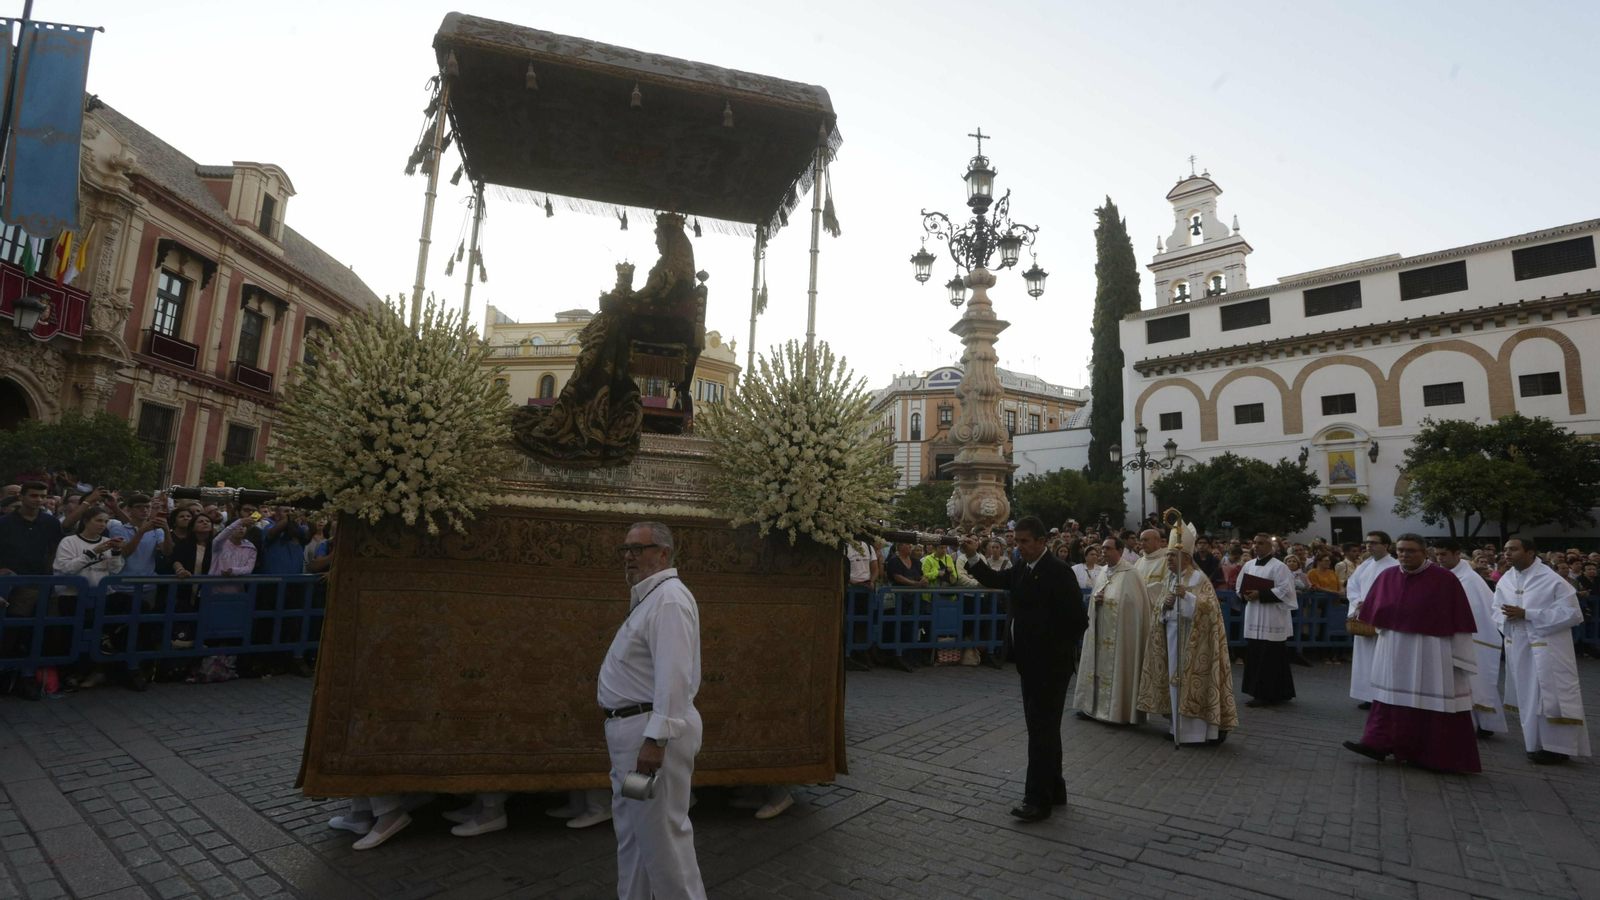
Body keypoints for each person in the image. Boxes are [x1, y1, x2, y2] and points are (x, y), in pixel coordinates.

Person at [599, 522, 707, 899]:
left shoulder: (670, 599)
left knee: (666, 845)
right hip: (633, 731)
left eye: (638, 549)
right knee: (635, 839)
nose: (628, 556)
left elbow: (673, 676)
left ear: (663, 554)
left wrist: (656, 738)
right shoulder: (653, 597)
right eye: (625, 549)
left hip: (649, 733)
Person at [961, 516, 1087, 822]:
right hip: (1028, 664)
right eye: (1016, 542)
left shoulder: (1059, 571)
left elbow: (1077, 621)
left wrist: (1052, 647)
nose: (1020, 548)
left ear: (1042, 542)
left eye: (1025, 542)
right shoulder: (1021, 567)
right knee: (1043, 729)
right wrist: (972, 555)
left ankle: (1037, 799)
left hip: (1050, 665)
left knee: (1041, 731)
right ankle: (1055, 788)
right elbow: (995, 580)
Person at [1342, 535, 1481, 773]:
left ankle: (1430, 754)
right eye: (1400, 551)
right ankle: (1378, 743)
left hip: (1430, 650)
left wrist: (1460, 655)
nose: (1404, 555)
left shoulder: (1444, 579)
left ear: (1424, 552)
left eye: (1410, 551)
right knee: (1388, 698)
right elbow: (1375, 610)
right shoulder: (1387, 576)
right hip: (1393, 647)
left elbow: (1459, 619)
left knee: (1430, 699)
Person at [1135, 522, 1237, 745]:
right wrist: (1166, 606)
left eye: (1172, 556)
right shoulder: (1171, 578)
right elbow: (1159, 609)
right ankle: (1176, 727)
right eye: (1168, 555)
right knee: (1174, 681)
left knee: (1192, 684)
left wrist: (1188, 598)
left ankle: (1198, 733)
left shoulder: (1199, 579)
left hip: (1194, 642)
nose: (1168, 560)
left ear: (1186, 559)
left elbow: (1211, 611)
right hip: (1172, 637)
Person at [1494, 537, 1590, 764]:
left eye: (1514, 549)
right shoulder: (1506, 579)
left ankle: (1559, 747)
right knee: (1530, 698)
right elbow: (1496, 610)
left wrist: (1529, 614)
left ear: (1530, 553)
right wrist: (1506, 619)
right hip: (1519, 646)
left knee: (1552, 697)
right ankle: (1535, 744)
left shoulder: (1552, 580)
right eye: (1506, 550)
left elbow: (1573, 614)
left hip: (1548, 649)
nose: (1507, 554)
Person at [1432, 538, 1507, 739]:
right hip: (1451, 635)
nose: (1440, 558)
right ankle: (1468, 722)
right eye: (1437, 554)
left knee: (1476, 682)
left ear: (1457, 554)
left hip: (1474, 639)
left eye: (1444, 554)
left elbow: (1475, 610)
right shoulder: (1444, 576)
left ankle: (1484, 723)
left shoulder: (1469, 579)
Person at [1071, 537, 1149, 726]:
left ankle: (1116, 712)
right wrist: (1096, 602)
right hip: (1100, 630)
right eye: (1102, 549)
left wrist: (1111, 603)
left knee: (1118, 668)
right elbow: (1097, 598)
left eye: (1108, 549)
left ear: (1120, 551)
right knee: (1096, 667)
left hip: (1120, 635)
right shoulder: (1104, 572)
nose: (1103, 552)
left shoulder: (1131, 574)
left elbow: (1135, 608)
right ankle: (1092, 708)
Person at [0, 481, 65, 700]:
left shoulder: (50, 522)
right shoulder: (5, 522)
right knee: (12, 629)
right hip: (11, 584)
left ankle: (28, 677)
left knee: (39, 631)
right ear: (23, 497)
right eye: (34, 495)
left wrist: (50, 571)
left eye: (42, 496)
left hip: (42, 583)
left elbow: (54, 549)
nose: (38, 500)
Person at [1237, 533, 1297, 707]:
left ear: (1270, 547)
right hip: (1254, 613)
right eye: (1254, 543)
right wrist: (1245, 595)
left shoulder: (1279, 566)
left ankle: (1268, 694)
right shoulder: (1248, 565)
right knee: (1256, 653)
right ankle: (1275, 691)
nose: (1256, 546)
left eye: (1261, 543)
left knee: (1271, 654)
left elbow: (1286, 590)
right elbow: (1239, 586)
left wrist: (1260, 594)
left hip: (1272, 617)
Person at [1345, 532, 1399, 710]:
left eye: (1374, 543)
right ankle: (1368, 695)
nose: (1369, 546)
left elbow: (1395, 592)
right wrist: (1357, 602)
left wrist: (1375, 605)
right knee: (1364, 658)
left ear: (1386, 546)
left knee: (1382, 658)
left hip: (1382, 618)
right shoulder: (1365, 565)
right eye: (1367, 542)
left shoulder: (1395, 566)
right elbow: (1352, 586)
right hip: (1363, 617)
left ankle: (1382, 696)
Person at [1134, 528, 1169, 597]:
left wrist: (1140, 591)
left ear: (1157, 541)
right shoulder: (1138, 562)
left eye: (1146, 540)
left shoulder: (1167, 561)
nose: (1143, 543)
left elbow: (1166, 585)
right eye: (1141, 540)